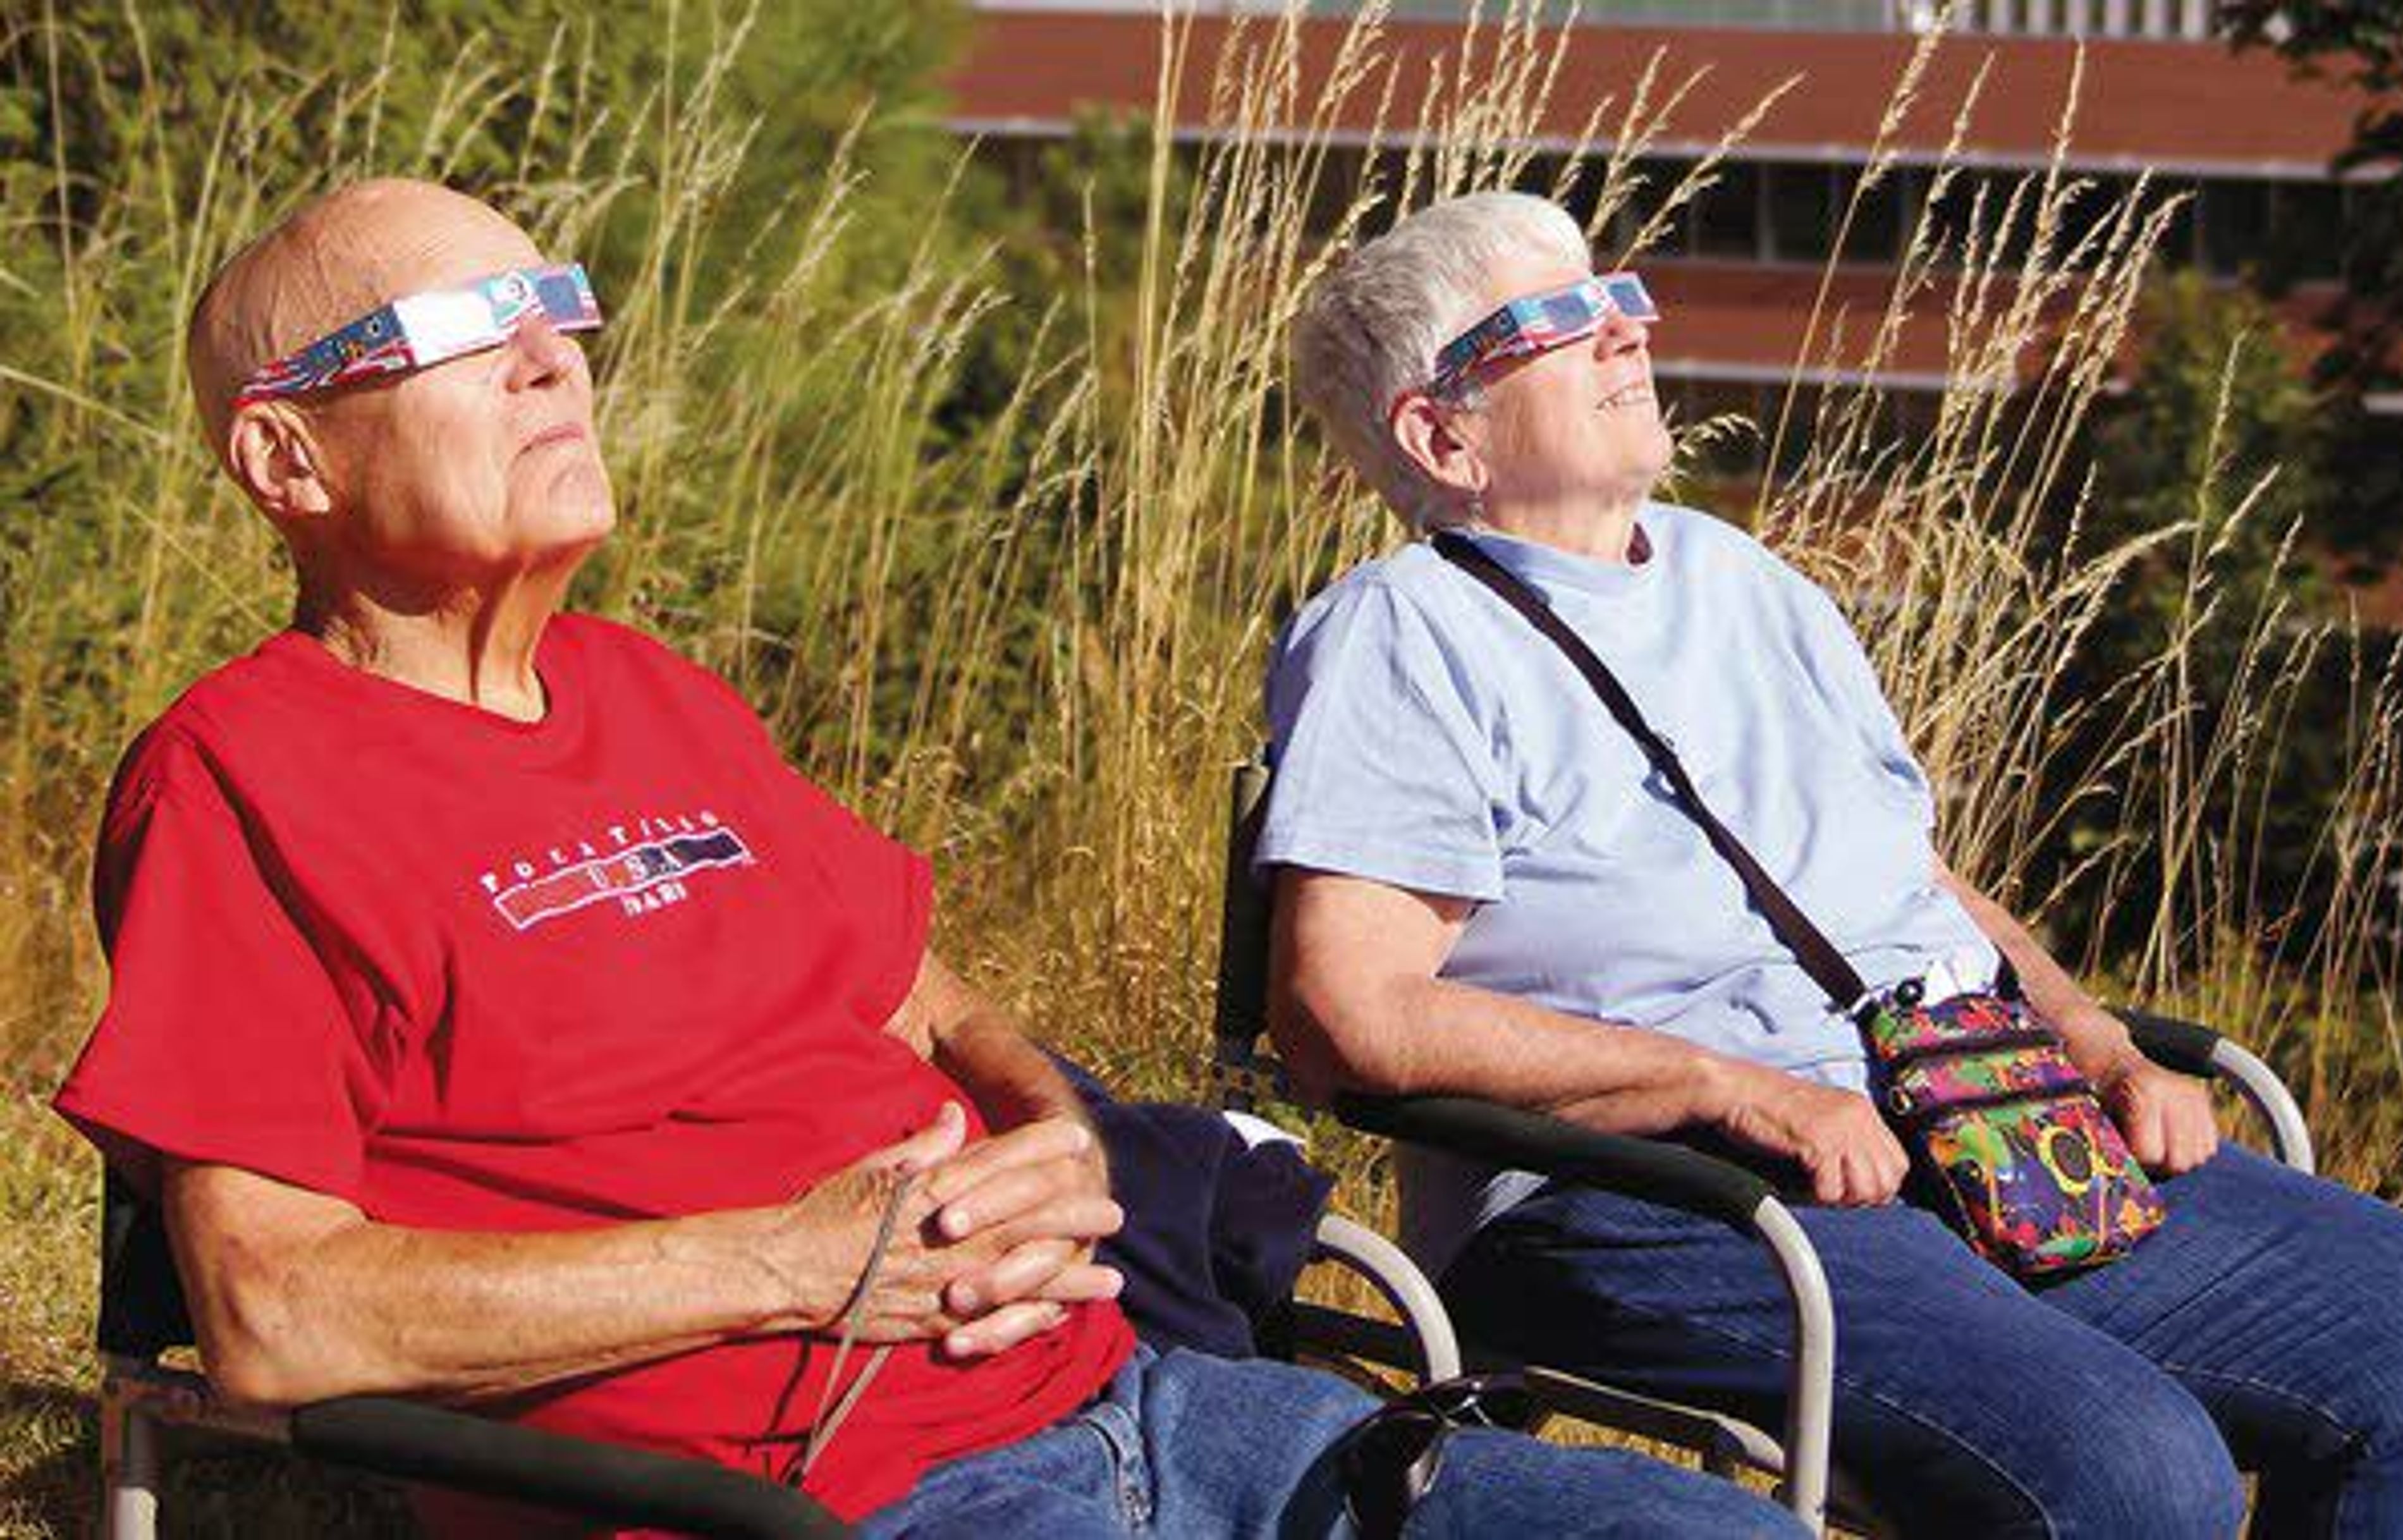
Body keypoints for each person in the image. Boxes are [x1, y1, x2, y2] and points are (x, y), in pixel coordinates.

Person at [52, 177, 1804, 1540]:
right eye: (463, 328)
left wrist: (1055, 1129)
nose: (551, 359)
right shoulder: (242, 777)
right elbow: (276, 1312)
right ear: (288, 454)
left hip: (1167, 1403)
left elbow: (929, 1001)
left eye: (561, 312)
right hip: (844, 1495)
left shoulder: (649, 691)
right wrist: (799, 1259)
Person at [1263, 189, 2403, 1538]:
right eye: (1559, 321)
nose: (1626, 334)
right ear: (1439, 433)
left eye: (1623, 297)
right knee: (2133, 1474)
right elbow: (1351, 1015)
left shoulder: (1743, 580)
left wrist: (2094, 1038)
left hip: (1971, 1121)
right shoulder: (1403, 637)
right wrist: (1723, 1086)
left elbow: (1907, 878)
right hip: (1668, 1196)